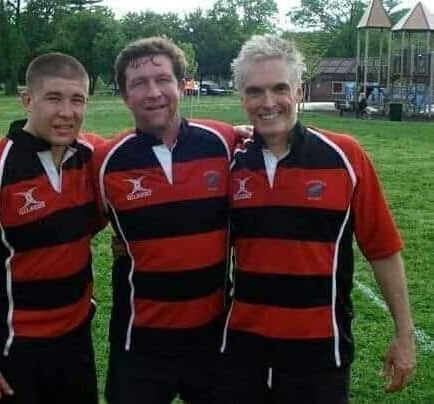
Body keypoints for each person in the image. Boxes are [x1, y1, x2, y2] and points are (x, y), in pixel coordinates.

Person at [217, 34, 416, 403]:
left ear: (299, 91)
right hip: (242, 353)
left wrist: (404, 335)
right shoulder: (228, 162)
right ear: (241, 97)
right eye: (255, 91)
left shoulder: (346, 156)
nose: (268, 102)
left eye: (280, 88)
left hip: (320, 356)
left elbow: (383, 250)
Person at [0, 53, 103, 404]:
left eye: (77, 100)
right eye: (54, 98)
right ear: (27, 100)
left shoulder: (94, 158)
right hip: (12, 350)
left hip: (76, 345)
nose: (66, 112)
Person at [92, 37, 238, 404]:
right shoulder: (105, 161)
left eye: (163, 79)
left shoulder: (224, 142)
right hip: (139, 342)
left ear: (182, 85)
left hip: (213, 337)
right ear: (124, 96)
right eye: (139, 83)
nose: (153, 92)